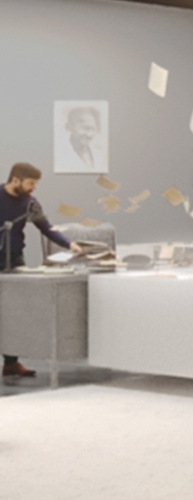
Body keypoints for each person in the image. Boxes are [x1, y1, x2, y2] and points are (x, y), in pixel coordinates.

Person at [1, 162, 71, 379]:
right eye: (30, 183)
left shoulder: (30, 203)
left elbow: (46, 227)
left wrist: (70, 245)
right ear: (15, 180)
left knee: (15, 311)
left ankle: (11, 363)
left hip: (14, 259)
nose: (33, 188)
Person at [59, 105, 105, 173]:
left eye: (93, 129)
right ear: (69, 127)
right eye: (85, 128)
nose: (90, 134)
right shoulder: (60, 155)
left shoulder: (99, 153)